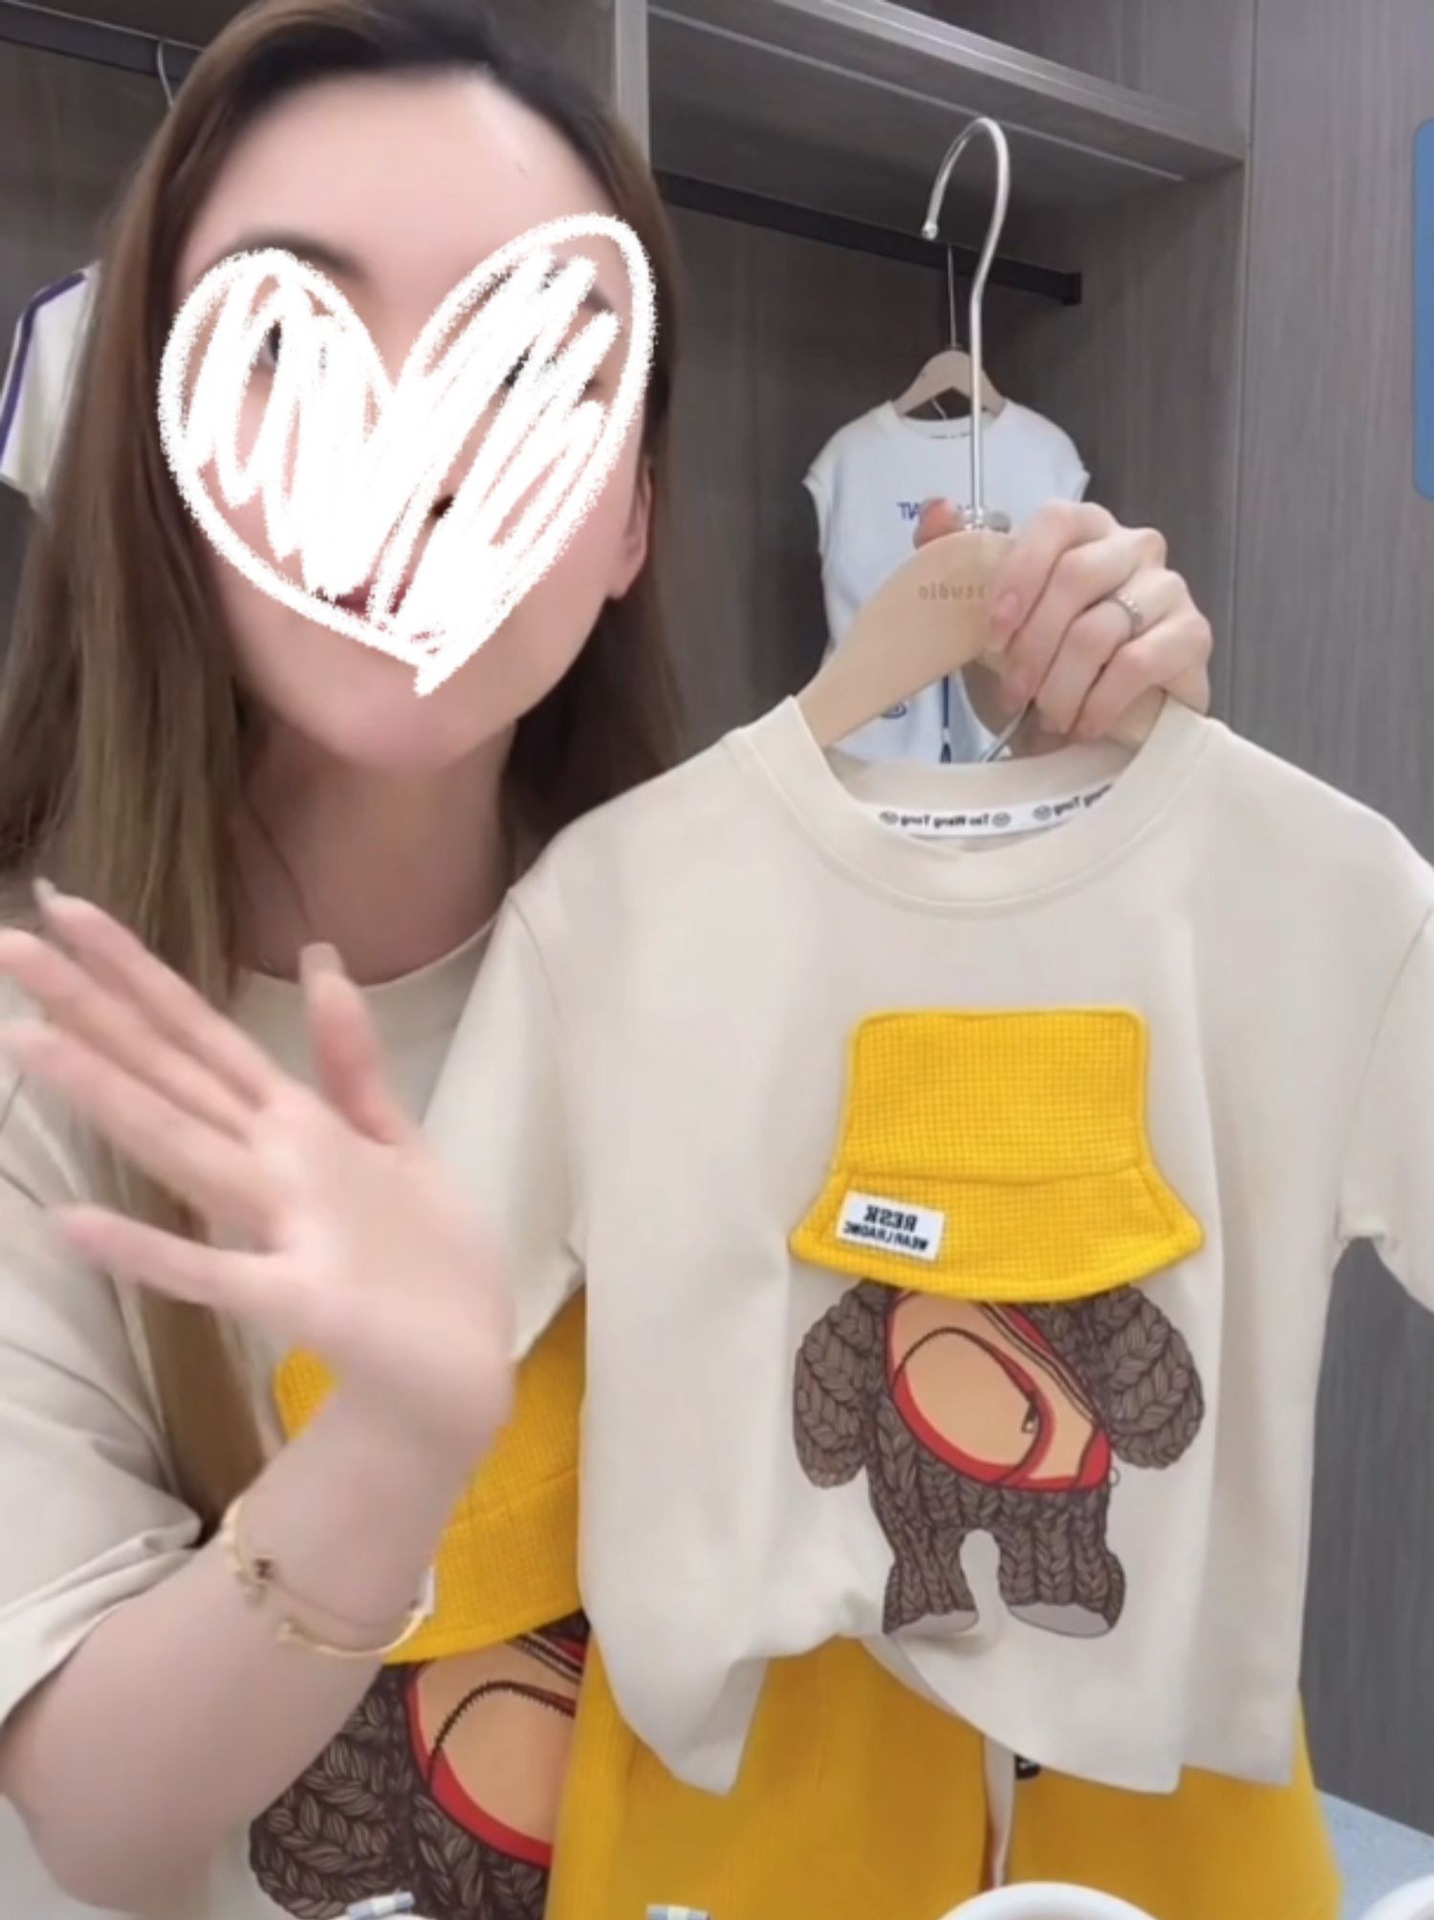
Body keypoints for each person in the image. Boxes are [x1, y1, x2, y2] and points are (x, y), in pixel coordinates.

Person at [0, 4, 1309, 1919]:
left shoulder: (774, 951)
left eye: (531, 363)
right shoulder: (47, 1037)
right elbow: (90, 1822)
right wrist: (395, 1442)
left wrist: (1074, 871)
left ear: (625, 514)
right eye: (294, 346)